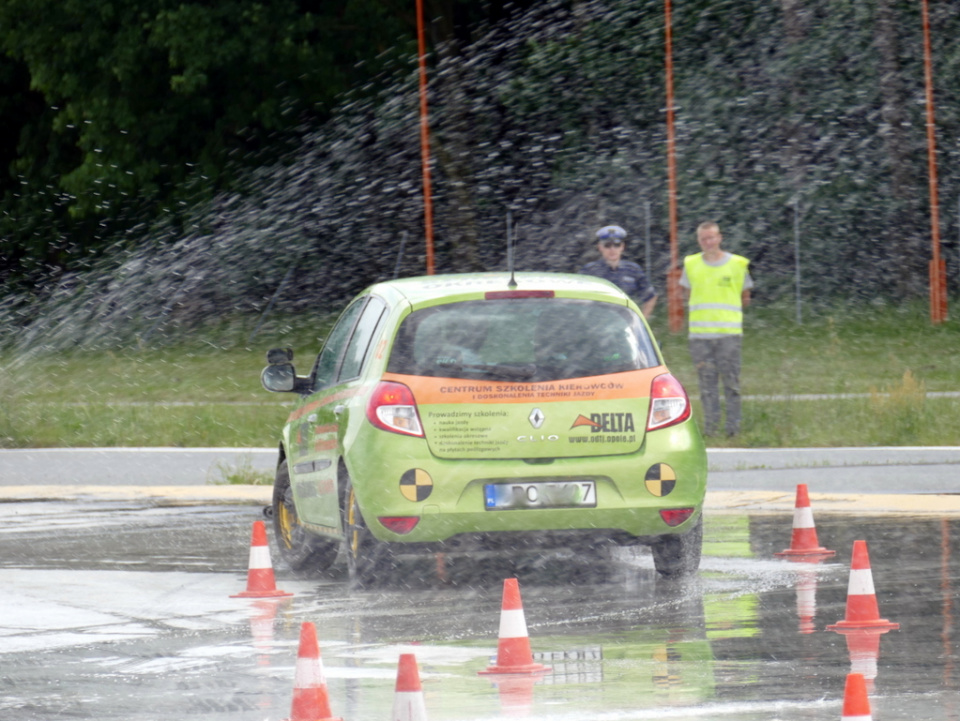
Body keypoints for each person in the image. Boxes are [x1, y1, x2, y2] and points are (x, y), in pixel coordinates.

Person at [679, 221, 753, 437]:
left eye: (712, 237)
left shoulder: (737, 264)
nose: (708, 242)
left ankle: (733, 429)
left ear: (720, 238)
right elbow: (685, 294)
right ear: (698, 241)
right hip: (700, 337)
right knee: (707, 385)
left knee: (731, 384)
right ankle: (711, 429)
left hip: (728, 336)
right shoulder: (691, 264)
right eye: (704, 239)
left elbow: (745, 297)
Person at [579, 225, 658, 317]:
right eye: (607, 245)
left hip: (624, 325)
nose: (612, 249)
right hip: (597, 325)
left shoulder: (633, 270)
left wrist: (641, 320)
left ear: (622, 247)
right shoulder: (589, 271)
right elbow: (577, 298)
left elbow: (650, 296)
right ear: (600, 247)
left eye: (617, 244)